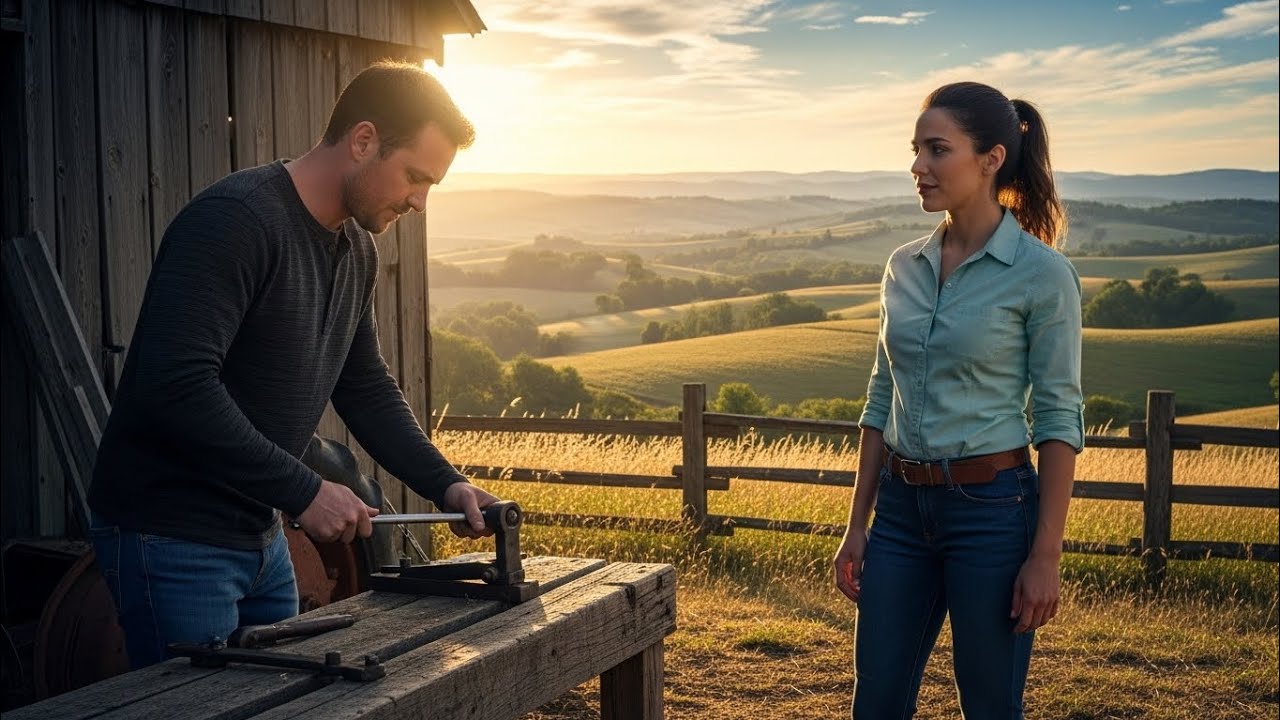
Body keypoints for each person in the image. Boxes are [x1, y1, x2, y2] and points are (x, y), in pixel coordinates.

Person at [87, 61, 501, 669]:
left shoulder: (356, 247)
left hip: (262, 534)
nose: (419, 200)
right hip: (171, 537)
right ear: (362, 141)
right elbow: (174, 384)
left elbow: (365, 387)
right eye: (415, 176)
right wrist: (305, 489)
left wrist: (446, 483)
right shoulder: (235, 220)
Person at [833, 81, 1083, 719]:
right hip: (897, 513)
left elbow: (1058, 418)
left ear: (992, 159)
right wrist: (855, 525)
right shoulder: (903, 266)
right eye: (916, 150)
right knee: (877, 702)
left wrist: (1045, 555)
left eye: (937, 150)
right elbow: (881, 393)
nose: (918, 167)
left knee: (989, 707)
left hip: (992, 515)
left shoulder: (1042, 274)